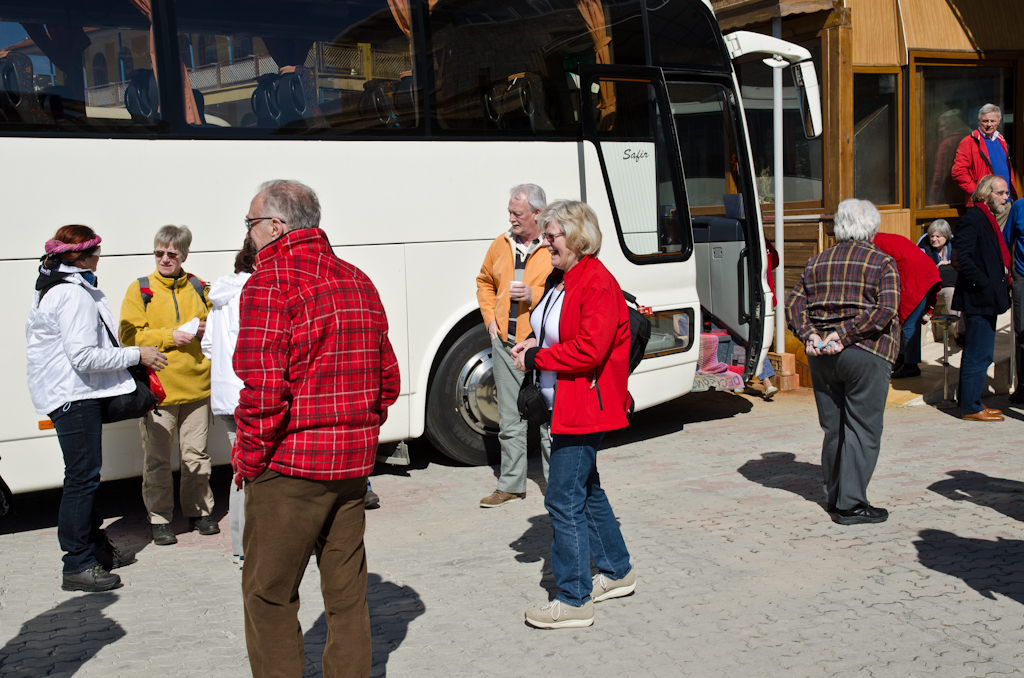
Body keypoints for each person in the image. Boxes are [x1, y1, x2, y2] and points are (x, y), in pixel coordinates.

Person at [233, 180, 400, 676]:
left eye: (250, 223)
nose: (248, 234)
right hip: (350, 468)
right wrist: (358, 433)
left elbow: (263, 392)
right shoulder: (356, 279)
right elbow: (385, 380)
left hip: (290, 467)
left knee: (268, 595)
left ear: (276, 226)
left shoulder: (270, 282)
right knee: (347, 597)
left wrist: (249, 459)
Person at [511, 199, 634, 629]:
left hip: (585, 406)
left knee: (562, 497)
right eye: (545, 234)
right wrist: (531, 344)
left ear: (579, 237)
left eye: (553, 235)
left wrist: (540, 358)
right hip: (569, 404)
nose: (546, 242)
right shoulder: (566, 279)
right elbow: (555, 331)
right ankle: (617, 571)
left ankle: (575, 598)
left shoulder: (595, 282)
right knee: (587, 489)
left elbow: (589, 349)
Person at [27, 225, 167, 591]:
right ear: (85, 256)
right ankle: (77, 564)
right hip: (73, 396)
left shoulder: (54, 286)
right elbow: (84, 356)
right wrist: (140, 353)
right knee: (82, 480)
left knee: (82, 477)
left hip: (67, 394)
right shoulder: (72, 295)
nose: (100, 258)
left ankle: (97, 551)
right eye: (98, 252)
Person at [786, 199, 899, 525]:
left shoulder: (816, 261)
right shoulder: (882, 262)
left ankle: (835, 496)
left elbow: (795, 305)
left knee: (834, 428)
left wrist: (810, 334)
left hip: (822, 355)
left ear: (838, 228)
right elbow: (885, 310)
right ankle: (850, 505)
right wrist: (844, 334)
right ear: (873, 229)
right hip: (865, 353)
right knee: (863, 429)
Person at [120, 225, 215, 546]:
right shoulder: (141, 289)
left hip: (198, 387)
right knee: (158, 460)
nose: (164, 259)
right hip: (159, 390)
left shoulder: (200, 287)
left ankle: (200, 511)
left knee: (196, 455)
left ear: (184, 255)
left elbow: (220, 328)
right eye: (159, 252)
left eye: (171, 253)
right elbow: (129, 337)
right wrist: (169, 336)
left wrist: (207, 328)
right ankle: (160, 519)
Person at [475, 184, 553, 508]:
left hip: (541, 347)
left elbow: (563, 290)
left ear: (537, 214)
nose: (511, 219)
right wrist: (490, 319)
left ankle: (557, 486)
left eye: (517, 213)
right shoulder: (500, 243)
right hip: (505, 345)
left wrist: (533, 296)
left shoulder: (552, 246)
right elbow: (484, 282)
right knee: (509, 419)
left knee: (549, 419)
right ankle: (511, 485)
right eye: (510, 212)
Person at [201, 236, 257, 567]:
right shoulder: (249, 294)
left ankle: (239, 547)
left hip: (223, 396)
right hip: (246, 394)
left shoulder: (220, 297)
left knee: (240, 471)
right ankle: (249, 548)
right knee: (253, 473)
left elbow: (209, 346)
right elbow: (251, 347)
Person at [952, 175, 1012, 421]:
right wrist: (985, 283)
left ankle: (973, 402)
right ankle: (970, 407)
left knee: (983, 353)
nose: (1005, 198)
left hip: (987, 297)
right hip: (978, 298)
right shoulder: (973, 219)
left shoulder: (988, 219)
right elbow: (961, 259)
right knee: (977, 353)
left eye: (1006, 194)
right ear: (986, 193)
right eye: (1001, 193)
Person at [873, 232, 941, 379]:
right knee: (907, 322)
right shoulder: (879, 238)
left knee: (910, 322)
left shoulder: (872, 243)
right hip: (921, 271)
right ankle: (902, 359)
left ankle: (911, 366)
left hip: (917, 275)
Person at [951, 104, 1017, 226]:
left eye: (993, 121)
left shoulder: (1001, 140)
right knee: (985, 242)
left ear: (998, 122)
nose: (989, 124)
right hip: (984, 204)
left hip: (1004, 203)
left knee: (1002, 242)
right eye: (985, 121)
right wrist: (977, 194)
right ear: (979, 121)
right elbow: (958, 172)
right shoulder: (969, 142)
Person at [918, 219, 963, 341]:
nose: (934, 239)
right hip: (933, 291)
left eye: (938, 236)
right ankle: (958, 333)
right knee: (951, 292)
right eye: (932, 236)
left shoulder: (953, 247)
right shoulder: (923, 249)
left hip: (952, 284)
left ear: (946, 237)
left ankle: (963, 331)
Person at [1003, 199, 1024, 403]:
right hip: (1022, 278)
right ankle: (1023, 386)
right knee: (1022, 332)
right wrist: (1009, 275)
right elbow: (1005, 240)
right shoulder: (1019, 207)